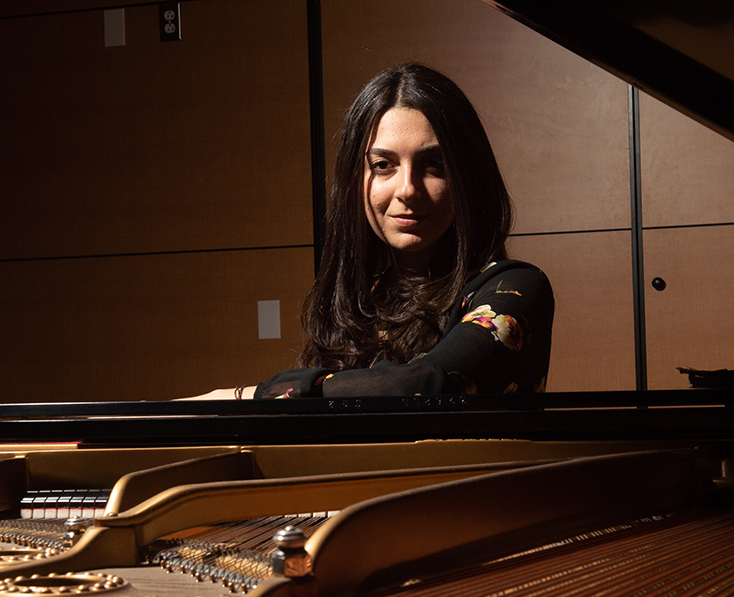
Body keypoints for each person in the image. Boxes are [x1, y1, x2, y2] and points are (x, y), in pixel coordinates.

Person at [193, 63, 553, 400]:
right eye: (383, 165)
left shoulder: (517, 288)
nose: (407, 189)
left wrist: (249, 397)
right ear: (355, 180)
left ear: (468, 177)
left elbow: (428, 382)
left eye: (433, 164)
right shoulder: (361, 298)